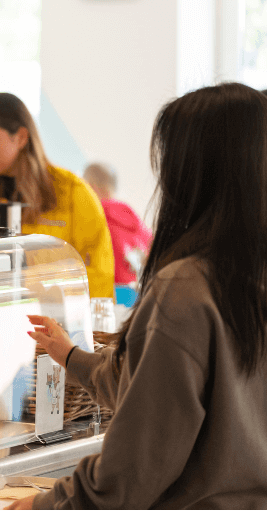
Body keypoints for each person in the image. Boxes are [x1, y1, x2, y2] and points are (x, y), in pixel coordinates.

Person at [16, 83, 267, 509]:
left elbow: (135, 464)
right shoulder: (243, 273)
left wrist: (47, 504)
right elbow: (153, 386)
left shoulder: (186, 288)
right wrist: (71, 356)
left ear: (191, 172)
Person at [0, 93, 114, 298]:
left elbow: (100, 276)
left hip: (55, 315)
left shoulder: (73, 192)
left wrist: (34, 284)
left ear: (21, 138)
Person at [83, 162, 152, 285]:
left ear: (91, 187)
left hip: (108, 293)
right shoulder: (139, 224)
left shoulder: (91, 223)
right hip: (143, 293)